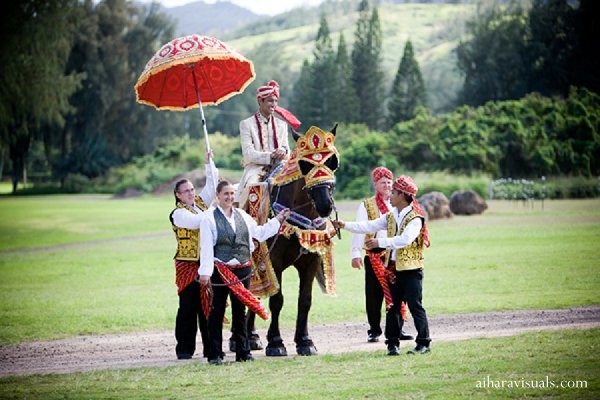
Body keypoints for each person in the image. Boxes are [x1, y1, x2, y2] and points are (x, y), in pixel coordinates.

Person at [333, 175, 432, 355]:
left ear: (403, 196)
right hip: (394, 269)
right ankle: (392, 344)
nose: (390, 195)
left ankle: (423, 343)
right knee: (393, 306)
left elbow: (405, 240)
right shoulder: (392, 215)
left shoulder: (415, 218)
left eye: (393, 192)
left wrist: (380, 243)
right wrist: (344, 224)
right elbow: (368, 226)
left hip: (411, 270)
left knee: (415, 305)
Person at [198, 180, 290, 365]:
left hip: (242, 269)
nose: (229, 197)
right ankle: (215, 353)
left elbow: (259, 233)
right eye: (226, 194)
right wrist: (205, 273)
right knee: (216, 311)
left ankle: (243, 351)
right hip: (220, 270)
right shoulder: (208, 218)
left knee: (241, 312)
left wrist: (278, 220)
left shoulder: (243, 215)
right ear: (218, 195)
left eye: (232, 194)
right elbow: (206, 247)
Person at [351, 167, 414, 344]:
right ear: (375, 184)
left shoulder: (398, 203)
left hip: (394, 255)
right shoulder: (366, 205)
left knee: (398, 293)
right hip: (374, 255)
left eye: (389, 182)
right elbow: (360, 229)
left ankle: (397, 328)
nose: (386, 185)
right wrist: (355, 253)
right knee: (373, 294)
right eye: (382, 182)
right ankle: (374, 330)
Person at [168, 152, 219, 360]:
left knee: (207, 306)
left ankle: (210, 348)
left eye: (191, 190)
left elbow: (213, 185)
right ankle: (184, 349)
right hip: (188, 265)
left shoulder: (200, 204)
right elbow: (197, 223)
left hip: (206, 262)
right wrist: (216, 212)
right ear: (178, 195)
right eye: (186, 191)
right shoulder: (178, 213)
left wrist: (209, 163)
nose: (191, 193)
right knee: (188, 307)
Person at [236, 80, 290, 208]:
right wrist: (271, 155)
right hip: (256, 169)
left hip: (280, 166)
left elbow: (287, 147)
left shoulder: (282, 125)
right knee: (252, 188)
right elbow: (248, 154)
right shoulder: (246, 124)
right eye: (270, 101)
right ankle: (246, 221)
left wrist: (283, 150)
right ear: (260, 101)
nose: (274, 104)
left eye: (276, 101)